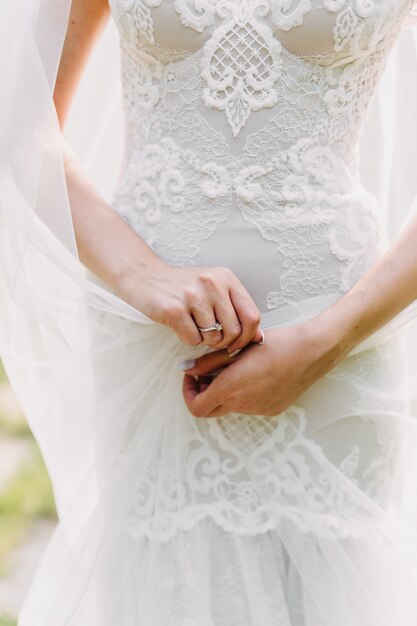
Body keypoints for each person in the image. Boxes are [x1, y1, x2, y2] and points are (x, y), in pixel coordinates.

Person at [2, 0, 417, 624]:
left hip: (336, 346)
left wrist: (323, 344)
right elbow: (22, 118)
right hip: (156, 348)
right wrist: (139, 273)